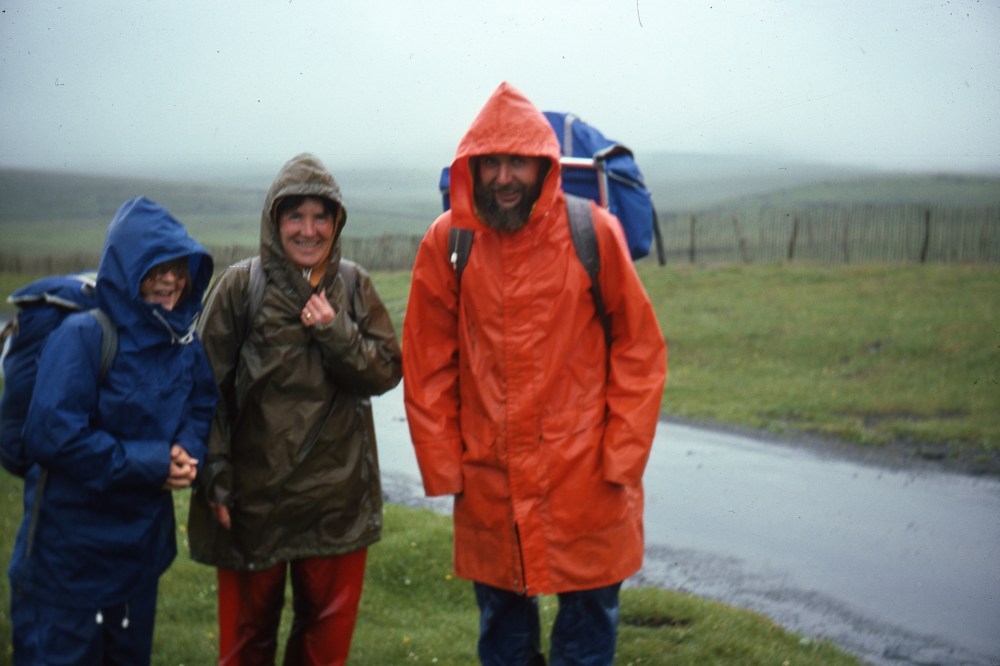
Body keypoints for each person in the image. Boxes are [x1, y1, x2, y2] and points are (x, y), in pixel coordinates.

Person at [402, 82, 667, 665]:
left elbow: (638, 348)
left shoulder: (592, 230)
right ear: (470, 165)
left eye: (515, 160)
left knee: (588, 626)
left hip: (589, 479)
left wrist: (622, 456)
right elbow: (427, 361)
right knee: (503, 630)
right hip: (490, 481)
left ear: (542, 163)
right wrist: (445, 464)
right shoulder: (448, 241)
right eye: (491, 161)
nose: (503, 176)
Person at [188, 152, 403, 665]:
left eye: (321, 216)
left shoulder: (353, 286)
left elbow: (385, 372)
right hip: (252, 500)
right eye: (295, 216)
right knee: (247, 642)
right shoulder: (241, 287)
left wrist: (334, 330)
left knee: (323, 643)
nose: (309, 230)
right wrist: (214, 474)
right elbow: (203, 391)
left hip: (337, 500)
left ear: (337, 221)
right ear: (274, 221)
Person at [7, 196, 217, 664]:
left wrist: (185, 448)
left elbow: (200, 402)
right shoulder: (83, 336)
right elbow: (52, 435)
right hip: (66, 567)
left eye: (178, 266)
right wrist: (153, 462)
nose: (169, 278)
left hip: (137, 561)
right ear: (125, 269)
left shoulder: (180, 339)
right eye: (154, 266)